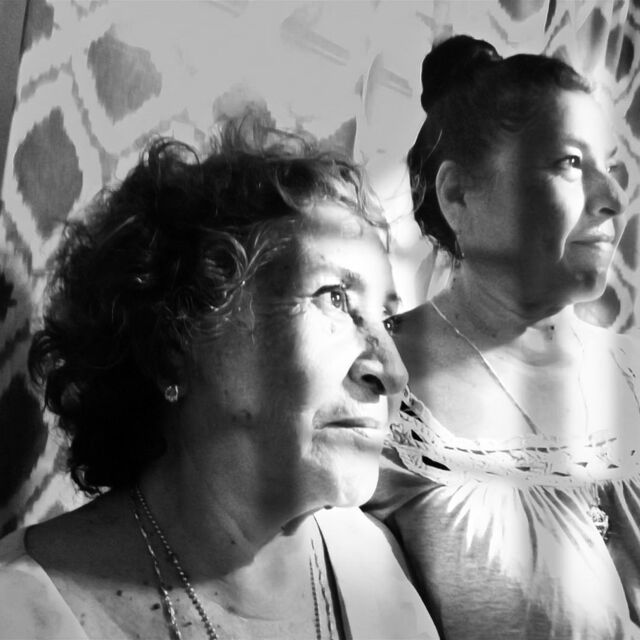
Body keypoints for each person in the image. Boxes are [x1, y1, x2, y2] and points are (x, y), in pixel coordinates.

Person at [0, 120, 439, 640]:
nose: (392, 372)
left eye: (387, 319)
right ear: (173, 346)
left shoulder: (378, 569)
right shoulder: (19, 611)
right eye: (334, 298)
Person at [368, 35, 640, 639]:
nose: (613, 199)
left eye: (612, 167)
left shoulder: (633, 370)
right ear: (458, 195)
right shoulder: (373, 384)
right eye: (570, 163)